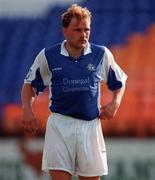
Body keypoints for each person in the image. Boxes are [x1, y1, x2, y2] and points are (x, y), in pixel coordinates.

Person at [21, 4, 127, 180]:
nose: (83, 34)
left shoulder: (101, 54)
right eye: (77, 30)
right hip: (60, 126)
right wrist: (27, 109)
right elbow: (29, 85)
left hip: (90, 127)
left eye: (87, 30)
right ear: (64, 30)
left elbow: (119, 82)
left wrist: (115, 103)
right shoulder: (48, 55)